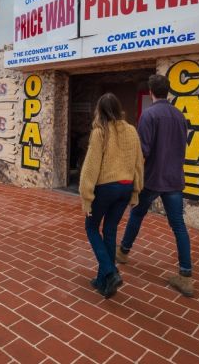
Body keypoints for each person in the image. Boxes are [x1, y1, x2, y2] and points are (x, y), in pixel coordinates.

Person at [116, 74, 194, 297]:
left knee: (137, 214)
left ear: (151, 91)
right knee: (178, 225)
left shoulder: (149, 115)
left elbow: (144, 151)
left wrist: (133, 177)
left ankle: (123, 251)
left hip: (152, 179)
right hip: (174, 179)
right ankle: (186, 276)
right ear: (167, 91)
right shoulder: (179, 116)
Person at [79, 93, 143, 298]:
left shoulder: (100, 132)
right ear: (118, 108)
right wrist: (136, 190)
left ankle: (110, 271)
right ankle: (103, 282)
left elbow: (90, 166)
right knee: (110, 229)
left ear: (100, 109)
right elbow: (138, 162)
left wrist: (86, 195)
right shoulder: (132, 131)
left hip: (105, 189)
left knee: (90, 227)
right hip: (125, 188)